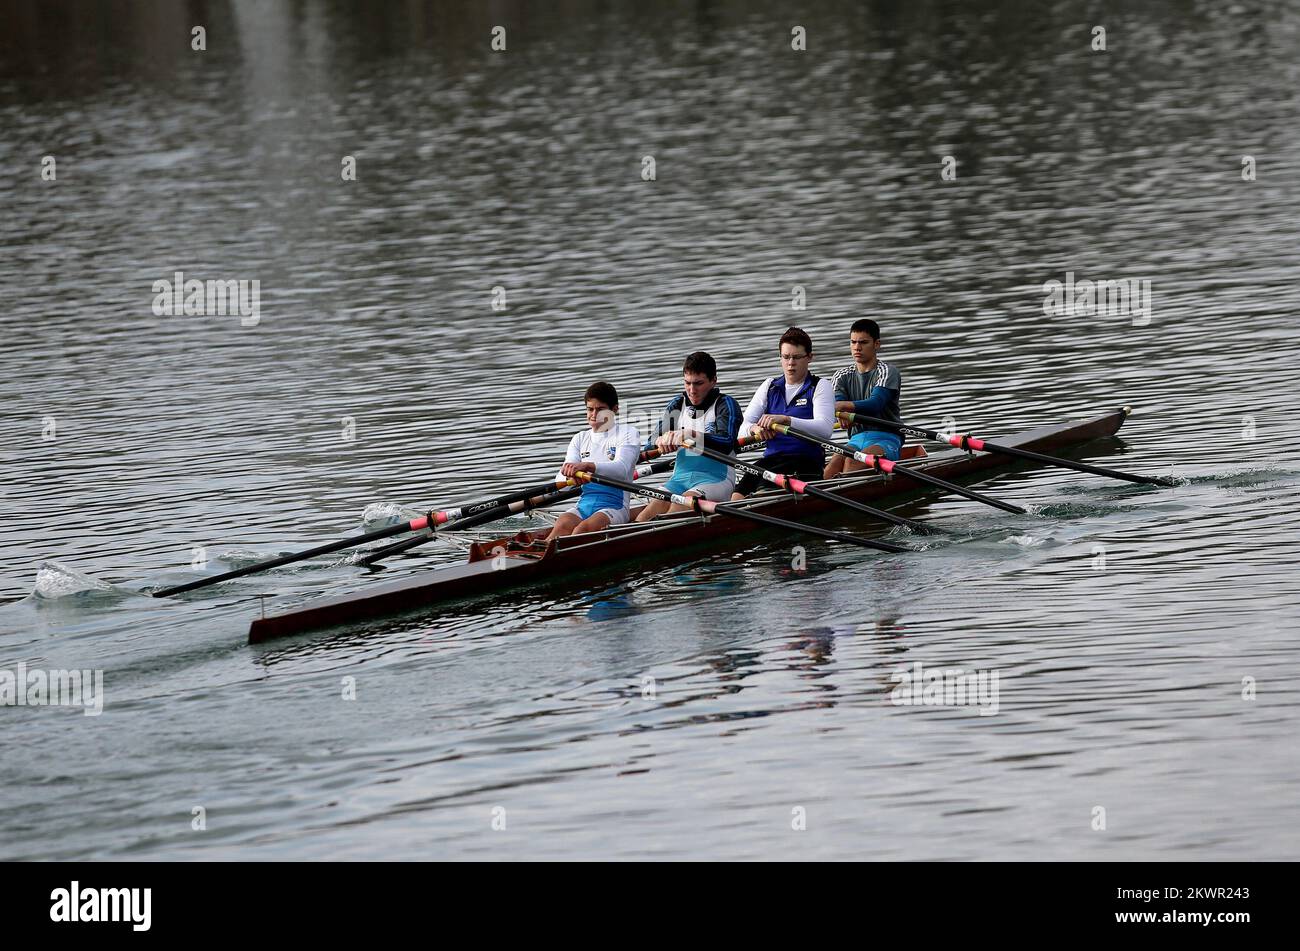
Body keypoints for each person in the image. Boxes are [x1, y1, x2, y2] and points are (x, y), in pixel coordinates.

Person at [635, 352, 742, 521]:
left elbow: (727, 441)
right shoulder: (677, 404)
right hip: (679, 479)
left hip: (716, 479)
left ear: (714, 380)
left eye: (698, 383)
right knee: (643, 517)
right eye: (687, 383)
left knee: (678, 507)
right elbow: (651, 442)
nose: (692, 390)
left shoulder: (725, 404)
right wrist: (661, 440)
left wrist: (690, 435)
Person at [731, 327, 834, 499]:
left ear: (809, 357)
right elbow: (742, 428)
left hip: (804, 462)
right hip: (770, 462)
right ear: (780, 357)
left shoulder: (820, 386)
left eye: (796, 357)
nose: (790, 363)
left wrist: (787, 420)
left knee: (762, 496)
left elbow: (825, 430)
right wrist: (755, 429)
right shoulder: (769, 386)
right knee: (736, 497)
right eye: (786, 357)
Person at [551, 382, 642, 538]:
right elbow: (562, 486)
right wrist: (569, 475)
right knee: (562, 523)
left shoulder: (628, 433)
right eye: (590, 409)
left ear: (614, 410)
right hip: (584, 505)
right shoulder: (579, 438)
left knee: (582, 530)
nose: (593, 415)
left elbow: (622, 469)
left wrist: (587, 466)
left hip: (615, 506)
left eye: (600, 409)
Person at [824, 318, 904, 478]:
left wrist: (842, 407)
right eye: (853, 342)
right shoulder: (841, 376)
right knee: (831, 468)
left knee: (852, 463)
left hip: (886, 437)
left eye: (863, 342)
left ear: (877, 344)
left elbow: (875, 404)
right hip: (855, 439)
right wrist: (842, 413)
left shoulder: (888, 372)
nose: (857, 347)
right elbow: (839, 405)